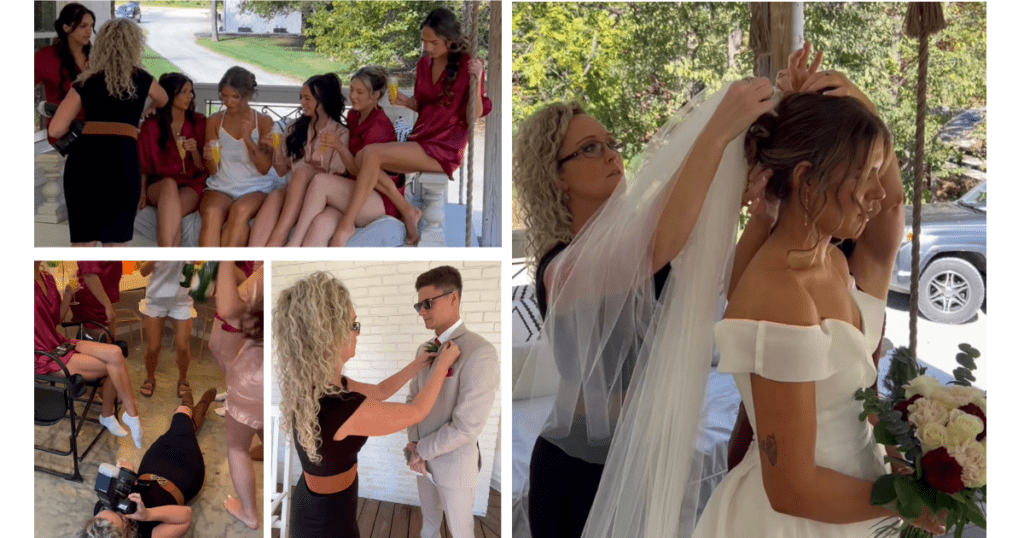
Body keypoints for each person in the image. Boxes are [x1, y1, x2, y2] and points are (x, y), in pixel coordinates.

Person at [692, 55, 945, 536]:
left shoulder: (831, 259)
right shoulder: (779, 295)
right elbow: (791, 489)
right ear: (807, 181)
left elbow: (891, 206)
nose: (877, 192)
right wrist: (908, 502)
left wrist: (854, 100)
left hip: (858, 504)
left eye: (879, 171)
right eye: (864, 173)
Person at [511, 78, 775, 535]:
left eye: (611, 144)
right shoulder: (564, 267)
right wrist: (716, 131)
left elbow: (733, 285)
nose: (612, 155)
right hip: (575, 472)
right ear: (555, 176)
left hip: (642, 459)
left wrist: (764, 214)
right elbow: (659, 238)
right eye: (590, 149)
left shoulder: (637, 248)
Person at [274, 272, 459, 537]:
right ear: (329, 334)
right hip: (326, 518)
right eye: (353, 325)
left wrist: (418, 364)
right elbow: (416, 412)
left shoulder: (320, 385)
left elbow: (380, 391)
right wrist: (442, 364)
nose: (357, 333)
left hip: (324, 499)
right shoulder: (338, 408)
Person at [331, 7, 492, 246]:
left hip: (445, 147)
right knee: (367, 155)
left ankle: (347, 223)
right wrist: (408, 102)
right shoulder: (424, 64)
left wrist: (478, 80)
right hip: (422, 138)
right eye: (424, 42)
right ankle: (408, 211)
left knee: (372, 153)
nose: (428, 48)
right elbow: (429, 106)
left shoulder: (468, 65)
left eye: (434, 43)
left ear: (450, 39)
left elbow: (474, 115)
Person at [48, 18, 168, 246]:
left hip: (85, 164)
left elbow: (56, 128)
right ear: (134, 46)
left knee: (83, 244)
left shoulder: (86, 82)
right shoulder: (143, 80)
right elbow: (163, 99)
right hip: (123, 163)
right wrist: (143, 114)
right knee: (115, 243)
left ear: (101, 45)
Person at [406, 266, 499, 538]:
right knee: (429, 525)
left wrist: (420, 449)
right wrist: (414, 448)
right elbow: (412, 400)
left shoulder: (481, 352)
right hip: (421, 460)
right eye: (418, 305)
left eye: (427, 303)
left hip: (454, 465)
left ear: (453, 298)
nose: (421, 311)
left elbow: (467, 427)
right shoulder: (424, 350)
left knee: (460, 532)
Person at [285, 66, 419, 247]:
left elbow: (362, 171)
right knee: (319, 225)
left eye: (360, 92)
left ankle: (293, 244)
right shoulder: (354, 115)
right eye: (352, 90)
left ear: (375, 95)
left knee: (320, 181)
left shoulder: (378, 127)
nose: (353, 96)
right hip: (354, 189)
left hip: (377, 198)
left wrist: (339, 147)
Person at [76, 387, 217, 538]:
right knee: (182, 419)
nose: (117, 507)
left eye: (108, 509)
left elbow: (123, 486)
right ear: (126, 534)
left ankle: (191, 411)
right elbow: (185, 517)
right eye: (123, 516)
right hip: (184, 474)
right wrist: (148, 515)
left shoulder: (102, 514)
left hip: (152, 465)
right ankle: (189, 406)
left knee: (183, 427)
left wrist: (127, 473)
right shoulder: (146, 535)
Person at [35, 261, 143, 448]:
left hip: (58, 343)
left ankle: (127, 414)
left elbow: (57, 320)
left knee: (115, 353)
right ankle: (115, 415)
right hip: (41, 355)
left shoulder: (48, 279)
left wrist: (68, 294)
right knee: (115, 367)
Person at [248, 73, 350, 247]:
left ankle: (279, 237)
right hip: (293, 191)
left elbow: (334, 178)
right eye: (301, 97)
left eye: (307, 98)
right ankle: (255, 259)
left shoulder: (340, 134)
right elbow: (281, 171)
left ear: (322, 100)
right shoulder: (294, 127)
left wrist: (309, 171)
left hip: (318, 199)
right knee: (274, 195)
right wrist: (277, 149)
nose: (302, 102)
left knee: (302, 172)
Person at [199, 66, 275, 247]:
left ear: (247, 95)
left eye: (235, 97)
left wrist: (248, 139)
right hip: (221, 185)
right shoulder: (215, 121)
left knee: (240, 210)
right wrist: (209, 157)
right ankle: (206, 271)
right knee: (212, 212)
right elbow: (213, 170)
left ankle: (227, 269)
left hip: (255, 186)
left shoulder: (264, 122)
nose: (228, 102)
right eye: (224, 96)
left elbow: (264, 169)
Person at [217, 262, 265, 529]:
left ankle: (250, 515)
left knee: (237, 448)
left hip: (251, 378)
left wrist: (224, 257)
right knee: (267, 436)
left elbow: (228, 310)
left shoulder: (265, 275)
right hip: (279, 380)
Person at [139, 73, 207, 247]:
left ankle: (167, 261)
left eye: (190, 92)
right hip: (159, 184)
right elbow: (143, 165)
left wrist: (194, 152)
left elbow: (201, 167)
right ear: (170, 94)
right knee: (168, 184)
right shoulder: (151, 126)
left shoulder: (198, 122)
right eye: (183, 92)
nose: (189, 96)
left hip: (190, 183)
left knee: (170, 217)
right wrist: (142, 193)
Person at [34, 2, 93, 144]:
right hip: (64, 135)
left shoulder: (96, 56)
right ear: (66, 28)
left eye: (91, 26)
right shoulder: (46, 57)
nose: (89, 31)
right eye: (83, 26)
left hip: (95, 131)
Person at [138, 262, 194, 400]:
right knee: (153, 347)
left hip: (181, 300)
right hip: (155, 300)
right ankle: (150, 378)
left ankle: (182, 379)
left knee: (182, 346)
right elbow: (143, 272)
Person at [70, 261, 123, 342]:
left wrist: (108, 305)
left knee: (109, 339)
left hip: (104, 297)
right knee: (101, 338)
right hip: (94, 299)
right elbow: (89, 274)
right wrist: (107, 305)